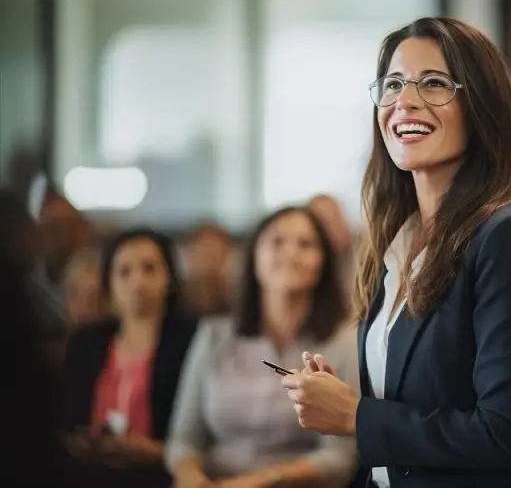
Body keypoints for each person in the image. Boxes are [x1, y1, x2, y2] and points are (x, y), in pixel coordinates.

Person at [281, 16, 511, 488]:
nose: (405, 101)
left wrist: (356, 416)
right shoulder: (394, 242)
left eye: (433, 83)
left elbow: (503, 432)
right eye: (392, 85)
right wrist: (348, 398)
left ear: (480, 105)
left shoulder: (507, 236)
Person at [166, 207, 358, 488]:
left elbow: (339, 458)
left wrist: (252, 483)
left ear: (323, 263)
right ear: (253, 257)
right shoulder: (213, 335)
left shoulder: (344, 341)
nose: (290, 253)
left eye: (305, 244)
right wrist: (192, 479)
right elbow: (184, 440)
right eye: (277, 242)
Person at [62, 228, 197, 488]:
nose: (137, 281)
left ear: (169, 278)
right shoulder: (84, 343)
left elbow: (201, 439)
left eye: (149, 269)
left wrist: (154, 451)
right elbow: (66, 422)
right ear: (108, 283)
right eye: (124, 271)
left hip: (162, 476)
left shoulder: (192, 343)